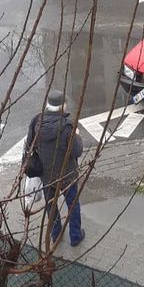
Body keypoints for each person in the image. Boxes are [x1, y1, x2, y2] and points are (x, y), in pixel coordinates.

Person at [25, 88, 85, 247]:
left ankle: (56, 235)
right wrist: (77, 135)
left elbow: (28, 147)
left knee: (51, 206)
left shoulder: (36, 121)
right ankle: (75, 236)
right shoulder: (67, 126)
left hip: (46, 175)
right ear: (62, 106)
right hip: (67, 176)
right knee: (72, 205)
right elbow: (77, 151)